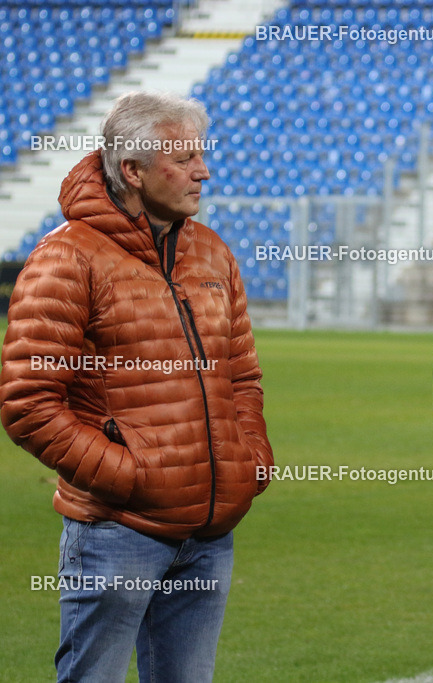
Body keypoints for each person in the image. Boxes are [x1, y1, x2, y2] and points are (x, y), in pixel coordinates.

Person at [0, 91, 273, 682]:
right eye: (185, 158)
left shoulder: (212, 252)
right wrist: (132, 478)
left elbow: (242, 377)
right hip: (118, 532)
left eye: (202, 155)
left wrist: (249, 460)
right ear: (132, 170)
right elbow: (28, 404)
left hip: (211, 530)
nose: (204, 171)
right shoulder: (65, 258)